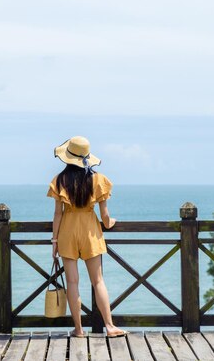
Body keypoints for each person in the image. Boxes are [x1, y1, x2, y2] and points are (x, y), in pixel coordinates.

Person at [47, 136, 127, 338]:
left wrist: (54, 241)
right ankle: (109, 326)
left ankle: (79, 329)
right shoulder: (98, 179)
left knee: (73, 282)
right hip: (90, 230)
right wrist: (111, 223)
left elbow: (58, 214)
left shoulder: (59, 180)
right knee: (98, 281)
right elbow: (105, 217)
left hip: (67, 230)